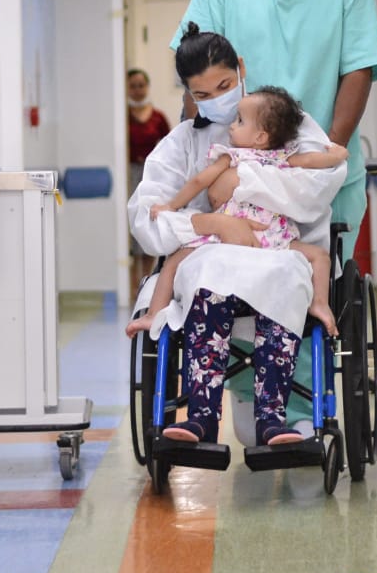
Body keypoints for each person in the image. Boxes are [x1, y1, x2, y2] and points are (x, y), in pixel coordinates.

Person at [128, 25, 346, 448]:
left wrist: (241, 181)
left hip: (278, 253)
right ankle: (201, 418)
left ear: (241, 69)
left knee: (285, 275)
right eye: (203, 94)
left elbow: (319, 184)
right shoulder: (185, 145)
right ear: (189, 94)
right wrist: (210, 222)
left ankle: (273, 418)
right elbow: (149, 216)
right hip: (218, 258)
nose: (219, 101)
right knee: (206, 275)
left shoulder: (286, 125)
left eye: (225, 85)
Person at [172, 0, 377, 243]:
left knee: (323, 280)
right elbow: (197, 69)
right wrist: (199, 158)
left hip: (322, 169)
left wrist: (326, 156)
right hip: (240, 173)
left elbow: (359, 67)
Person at [125, 82, 348, 341]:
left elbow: (199, 182)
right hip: (271, 238)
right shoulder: (281, 157)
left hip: (229, 236)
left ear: (260, 137)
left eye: (240, 121)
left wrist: (171, 206)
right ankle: (320, 302)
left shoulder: (230, 157)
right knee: (320, 256)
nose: (231, 125)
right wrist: (337, 154)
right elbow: (312, 161)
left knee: (173, 262)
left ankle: (154, 312)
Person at [126, 67, 171, 298]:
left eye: (140, 85)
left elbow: (170, 149)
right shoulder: (122, 116)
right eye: (132, 86)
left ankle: (151, 280)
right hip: (130, 175)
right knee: (133, 230)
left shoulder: (158, 117)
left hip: (153, 176)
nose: (137, 90)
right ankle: (134, 285)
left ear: (147, 87)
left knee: (152, 224)